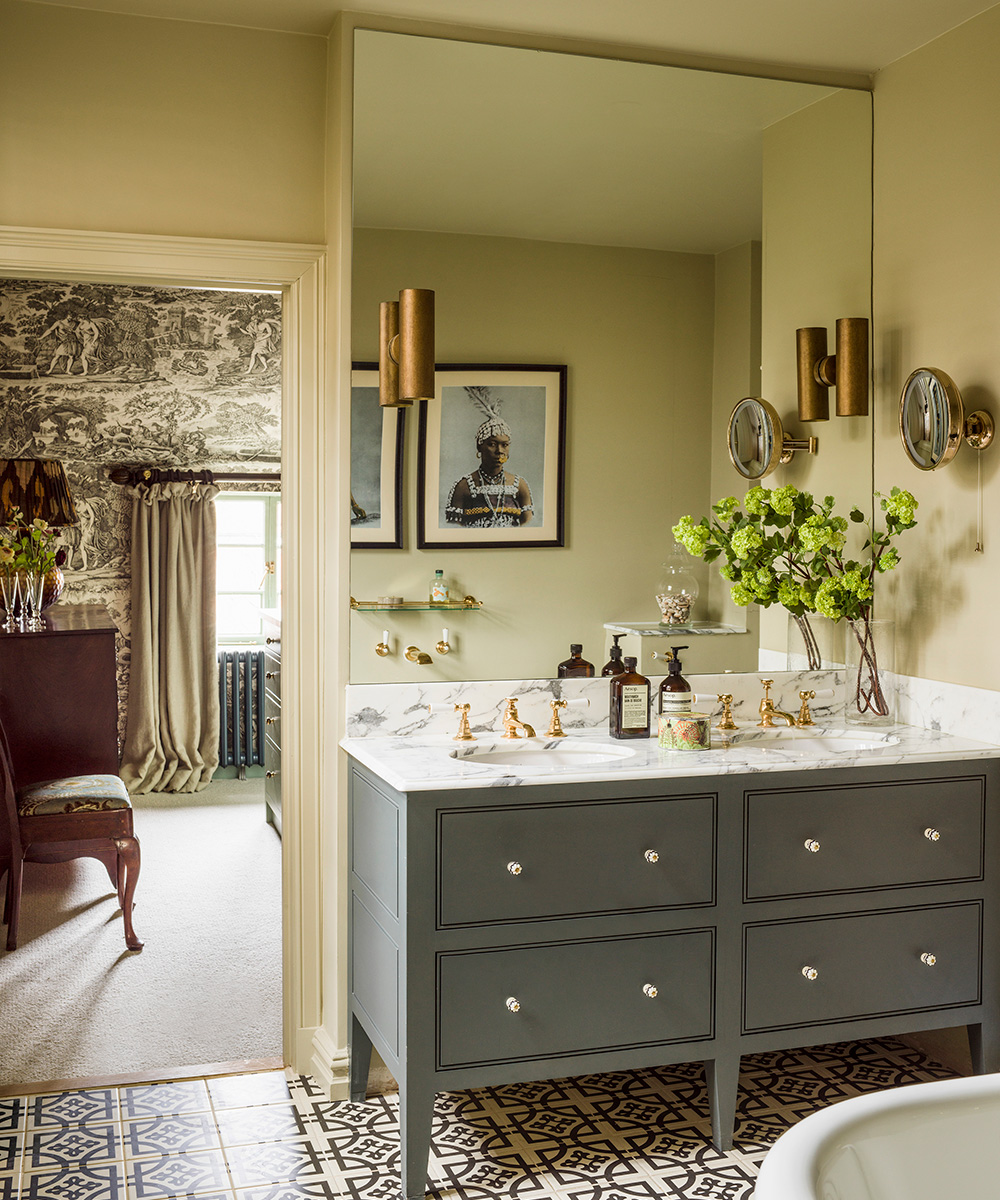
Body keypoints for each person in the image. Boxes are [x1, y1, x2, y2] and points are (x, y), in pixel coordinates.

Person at [446, 414, 533, 527]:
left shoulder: (520, 485)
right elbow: (453, 530)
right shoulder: (463, 486)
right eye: (492, 444)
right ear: (479, 447)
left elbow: (529, 527)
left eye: (505, 445)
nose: (499, 451)